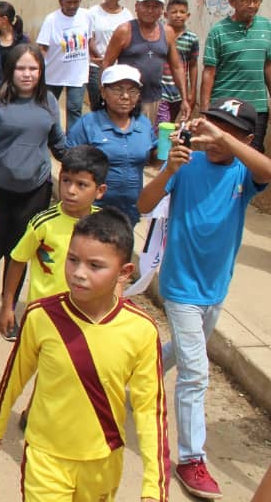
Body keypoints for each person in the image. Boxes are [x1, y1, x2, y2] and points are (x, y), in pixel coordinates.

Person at [0, 209, 169, 502]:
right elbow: (15, 374)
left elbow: (150, 410)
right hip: (45, 455)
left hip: (103, 461)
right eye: (72, 260)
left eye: (95, 265)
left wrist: (153, 485)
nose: (79, 273)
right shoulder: (41, 315)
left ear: (124, 273)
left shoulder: (141, 330)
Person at [137, 97, 271, 500]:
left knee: (180, 350)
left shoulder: (243, 175)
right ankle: (191, 458)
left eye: (227, 132)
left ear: (245, 139)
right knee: (195, 372)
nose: (213, 137)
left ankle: (130, 373)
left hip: (216, 287)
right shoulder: (186, 164)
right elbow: (144, 204)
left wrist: (230, 146)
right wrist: (168, 172)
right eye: (211, 127)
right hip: (180, 285)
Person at [0, 44, 66, 308]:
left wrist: (81, 162)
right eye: (21, 68)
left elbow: (58, 143)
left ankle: (8, 306)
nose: (27, 74)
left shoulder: (48, 101)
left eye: (33, 68)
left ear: (41, 71)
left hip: (36, 190)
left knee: (19, 251)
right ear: (10, 71)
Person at [0, 145, 108, 341]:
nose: (71, 191)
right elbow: (17, 261)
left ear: (99, 191)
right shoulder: (43, 223)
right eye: (66, 181)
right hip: (43, 316)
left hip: (85, 317)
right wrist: (8, 306)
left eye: (81, 185)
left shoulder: (106, 225)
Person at [67, 64, 156, 226]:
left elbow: (154, 160)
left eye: (132, 91)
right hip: (92, 210)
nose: (125, 96)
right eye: (117, 90)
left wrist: (170, 146)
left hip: (130, 212)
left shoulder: (144, 125)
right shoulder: (88, 124)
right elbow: (69, 166)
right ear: (103, 92)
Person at [102, 0, 190, 123]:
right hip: (126, 102)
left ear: (162, 10)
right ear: (137, 7)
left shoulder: (167, 33)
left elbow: (177, 67)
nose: (150, 10)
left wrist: (185, 99)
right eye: (146, 5)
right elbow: (107, 64)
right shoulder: (125, 31)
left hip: (155, 100)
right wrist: (106, 96)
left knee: (154, 140)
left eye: (155, 6)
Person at [200, 0, 271, 152]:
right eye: (246, 1)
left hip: (257, 108)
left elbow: (268, 67)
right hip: (225, 108)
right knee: (220, 152)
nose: (252, 5)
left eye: (256, 1)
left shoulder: (267, 27)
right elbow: (209, 72)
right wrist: (204, 108)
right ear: (232, 2)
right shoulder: (218, 31)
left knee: (252, 154)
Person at [38, 0, 93, 131]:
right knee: (48, 108)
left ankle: (72, 145)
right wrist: (39, 70)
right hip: (54, 73)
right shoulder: (51, 19)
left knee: (74, 108)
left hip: (78, 74)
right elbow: (42, 47)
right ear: (60, 1)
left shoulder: (87, 16)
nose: (73, 6)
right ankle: (49, 139)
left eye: (76, 2)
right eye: (69, 2)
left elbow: (88, 40)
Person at [87, 0, 131, 111]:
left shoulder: (127, 15)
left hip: (117, 68)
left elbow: (128, 41)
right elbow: (89, 37)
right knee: (97, 104)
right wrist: (100, 58)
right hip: (96, 67)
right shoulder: (93, 12)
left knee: (114, 106)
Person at [160, 0, 200, 124]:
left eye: (182, 12)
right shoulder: (159, 34)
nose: (178, 15)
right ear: (166, 15)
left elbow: (193, 65)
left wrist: (192, 91)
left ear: (188, 15)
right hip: (160, 89)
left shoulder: (191, 38)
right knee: (162, 123)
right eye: (174, 12)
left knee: (169, 123)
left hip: (177, 92)